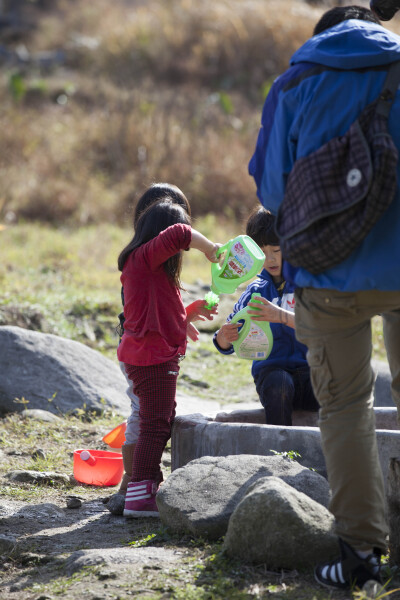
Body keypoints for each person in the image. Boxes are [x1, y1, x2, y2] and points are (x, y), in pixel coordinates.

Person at [248, 5, 400, 590]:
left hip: (329, 275)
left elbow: (272, 188)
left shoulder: (299, 81)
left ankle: (360, 556)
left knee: (345, 406)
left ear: (323, 38)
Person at [117, 198, 220, 517]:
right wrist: (211, 249)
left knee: (156, 421)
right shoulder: (144, 258)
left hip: (148, 357)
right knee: (155, 425)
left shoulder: (148, 269)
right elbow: (179, 233)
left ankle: (142, 489)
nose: (177, 254)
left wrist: (186, 316)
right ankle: (140, 494)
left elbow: (151, 314)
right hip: (151, 362)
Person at [213, 206, 319, 426]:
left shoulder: (307, 284)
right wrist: (224, 337)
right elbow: (229, 338)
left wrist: (280, 315)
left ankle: (330, 450)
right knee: (279, 384)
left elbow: (320, 326)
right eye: (262, 252)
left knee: (333, 380)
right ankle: (280, 451)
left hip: (311, 370)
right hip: (273, 374)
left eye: (276, 250)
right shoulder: (254, 291)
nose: (270, 259)